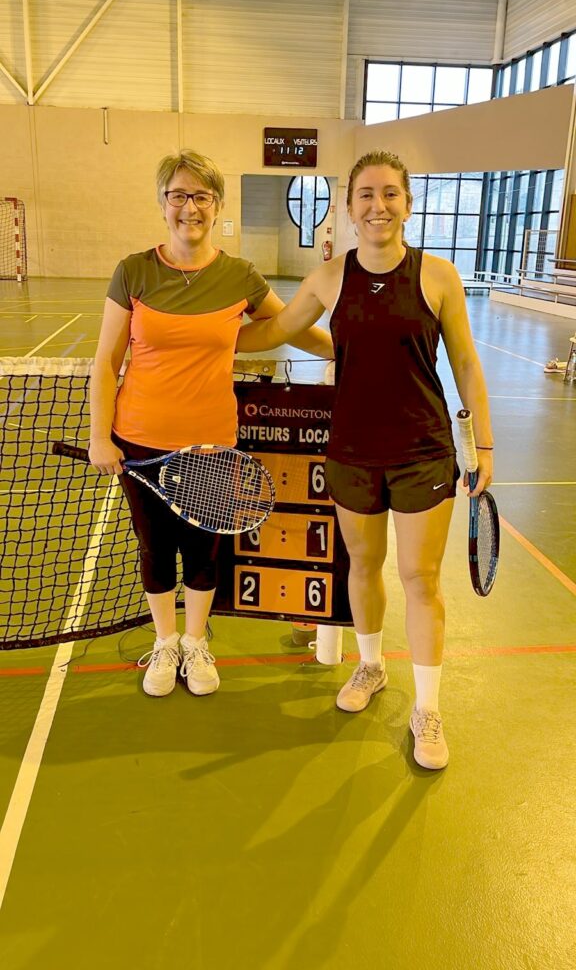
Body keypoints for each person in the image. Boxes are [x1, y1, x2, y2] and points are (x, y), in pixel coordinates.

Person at [236, 149, 494, 770]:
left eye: (390, 194)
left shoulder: (438, 277)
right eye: (366, 195)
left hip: (423, 451)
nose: (378, 206)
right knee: (363, 566)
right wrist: (200, 340)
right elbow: (277, 331)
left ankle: (427, 709)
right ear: (348, 208)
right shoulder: (328, 278)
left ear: (408, 204)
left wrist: (482, 443)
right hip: (351, 452)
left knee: (420, 578)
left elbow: (464, 363)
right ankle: (371, 666)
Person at [89, 149, 333, 698]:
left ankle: (196, 642)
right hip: (139, 443)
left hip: (211, 445)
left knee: (203, 550)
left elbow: (289, 325)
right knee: (155, 549)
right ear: (162, 203)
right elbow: (106, 362)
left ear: (217, 204)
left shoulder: (239, 275)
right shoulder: (133, 271)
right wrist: (99, 435)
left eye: (201, 196)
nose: (190, 207)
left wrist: (347, 350)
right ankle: (165, 642)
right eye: (178, 195)